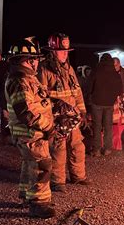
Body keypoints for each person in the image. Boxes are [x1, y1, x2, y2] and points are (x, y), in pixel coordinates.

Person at [5, 37, 56, 218]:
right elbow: (26, 112)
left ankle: (27, 197)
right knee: (41, 165)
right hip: (30, 133)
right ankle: (39, 203)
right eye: (33, 59)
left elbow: (38, 102)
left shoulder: (28, 79)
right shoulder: (19, 81)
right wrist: (49, 125)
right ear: (23, 60)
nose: (37, 63)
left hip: (34, 132)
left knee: (30, 165)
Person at [38, 33, 90, 193]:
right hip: (56, 117)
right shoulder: (44, 69)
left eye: (67, 50)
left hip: (72, 117)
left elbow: (77, 92)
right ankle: (57, 181)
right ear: (53, 51)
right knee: (58, 149)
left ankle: (78, 176)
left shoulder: (69, 69)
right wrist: (52, 113)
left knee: (77, 146)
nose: (65, 53)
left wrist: (82, 111)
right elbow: (41, 96)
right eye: (62, 50)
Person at [90, 53, 122, 157]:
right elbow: (120, 90)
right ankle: (108, 149)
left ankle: (97, 150)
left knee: (97, 126)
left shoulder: (96, 72)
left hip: (96, 103)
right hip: (109, 104)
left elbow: (89, 86)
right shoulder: (115, 74)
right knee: (108, 126)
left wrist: (91, 95)